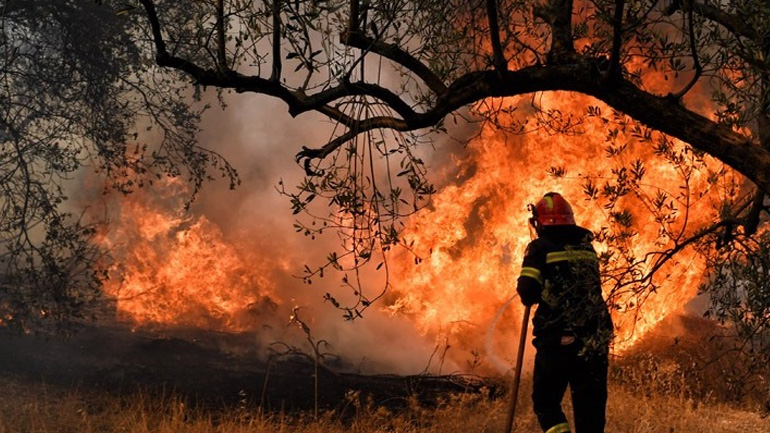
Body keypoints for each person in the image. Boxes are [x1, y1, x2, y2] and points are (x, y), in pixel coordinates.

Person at [516, 192, 614, 433]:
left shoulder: (539, 248)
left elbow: (527, 291)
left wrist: (535, 289)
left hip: (558, 338)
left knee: (546, 403)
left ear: (541, 222)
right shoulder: (587, 247)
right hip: (594, 338)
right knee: (590, 409)